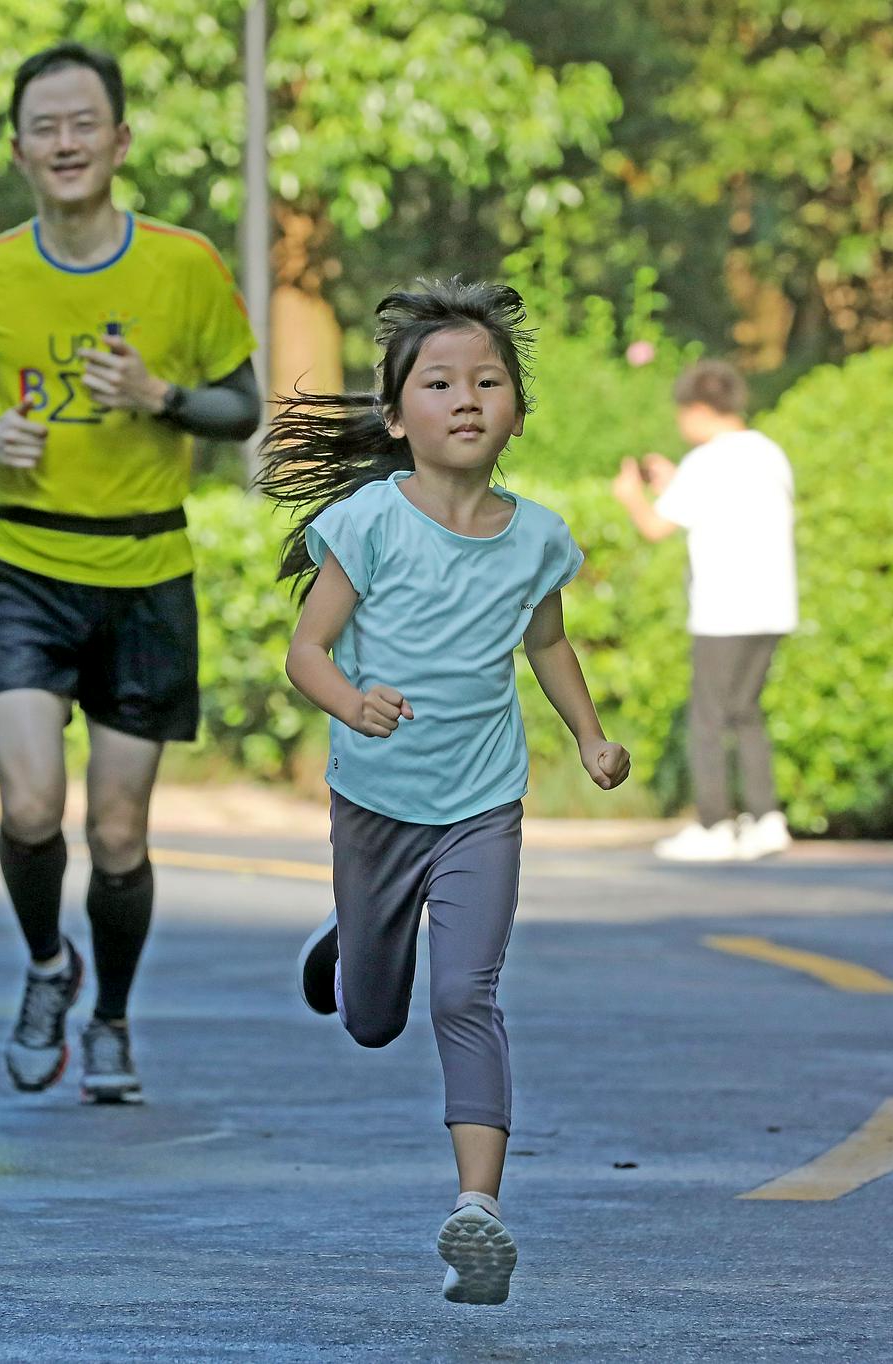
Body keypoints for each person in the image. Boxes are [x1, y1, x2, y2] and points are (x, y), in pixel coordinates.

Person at [261, 280, 630, 1305]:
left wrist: (590, 737)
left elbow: (545, 643)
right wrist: (351, 702)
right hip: (376, 801)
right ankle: (349, 936)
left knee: (465, 993)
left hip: (481, 804)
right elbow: (305, 650)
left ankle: (478, 1208)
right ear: (395, 417)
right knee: (374, 1017)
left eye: (486, 380)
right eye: (437, 382)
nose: (465, 397)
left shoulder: (537, 537)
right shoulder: (368, 520)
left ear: (513, 408)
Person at [0, 43, 261, 1103]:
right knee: (28, 805)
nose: (64, 143)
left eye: (82, 124)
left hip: (146, 570)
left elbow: (240, 407)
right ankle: (43, 966)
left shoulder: (182, 263)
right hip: (24, 565)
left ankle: (107, 1015)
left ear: (119, 140)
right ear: (17, 148)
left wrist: (160, 394)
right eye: (43, 127)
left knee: (116, 832)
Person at [610, 359, 797, 862]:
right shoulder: (768, 453)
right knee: (747, 715)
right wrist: (674, 481)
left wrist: (630, 497)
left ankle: (715, 824)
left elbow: (655, 527)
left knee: (709, 717)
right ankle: (765, 819)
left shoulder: (708, 462)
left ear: (696, 410)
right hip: (773, 606)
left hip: (724, 610)